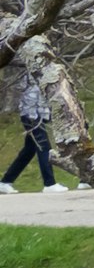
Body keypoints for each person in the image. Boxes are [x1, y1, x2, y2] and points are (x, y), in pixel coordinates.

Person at [3, 58, 57, 191]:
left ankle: (5, 182)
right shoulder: (32, 72)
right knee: (44, 147)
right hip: (32, 115)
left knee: (29, 150)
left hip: (36, 114)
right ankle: (49, 183)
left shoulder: (41, 70)